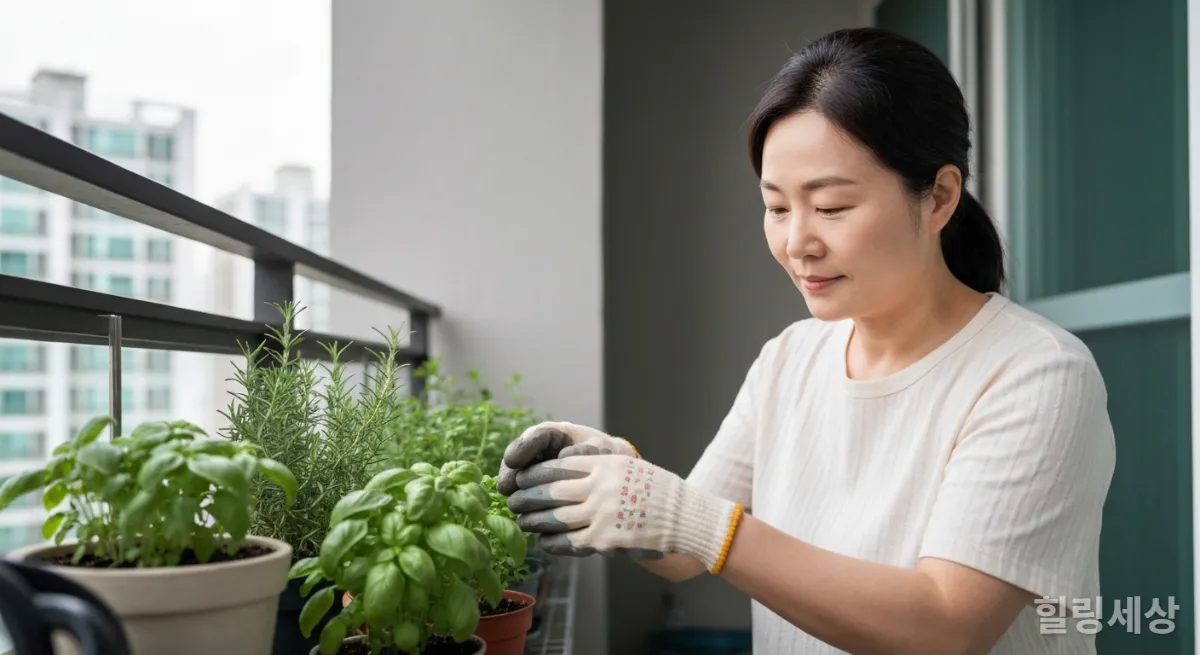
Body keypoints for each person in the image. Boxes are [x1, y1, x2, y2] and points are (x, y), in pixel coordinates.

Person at [497, 27, 1115, 655]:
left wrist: (693, 519)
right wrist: (620, 481)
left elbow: (945, 626)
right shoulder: (789, 358)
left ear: (940, 198)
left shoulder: (1036, 373)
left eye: (833, 207)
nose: (797, 243)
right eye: (777, 207)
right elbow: (683, 549)